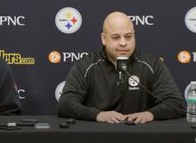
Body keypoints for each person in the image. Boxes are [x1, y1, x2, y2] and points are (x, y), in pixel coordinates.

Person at [57, 11, 185, 123]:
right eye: (116, 37)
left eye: (128, 36)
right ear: (104, 38)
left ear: (134, 35)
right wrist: (97, 115)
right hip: (99, 137)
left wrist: (150, 114)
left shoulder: (152, 64)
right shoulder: (86, 65)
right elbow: (65, 104)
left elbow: (175, 103)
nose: (123, 43)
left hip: (141, 137)